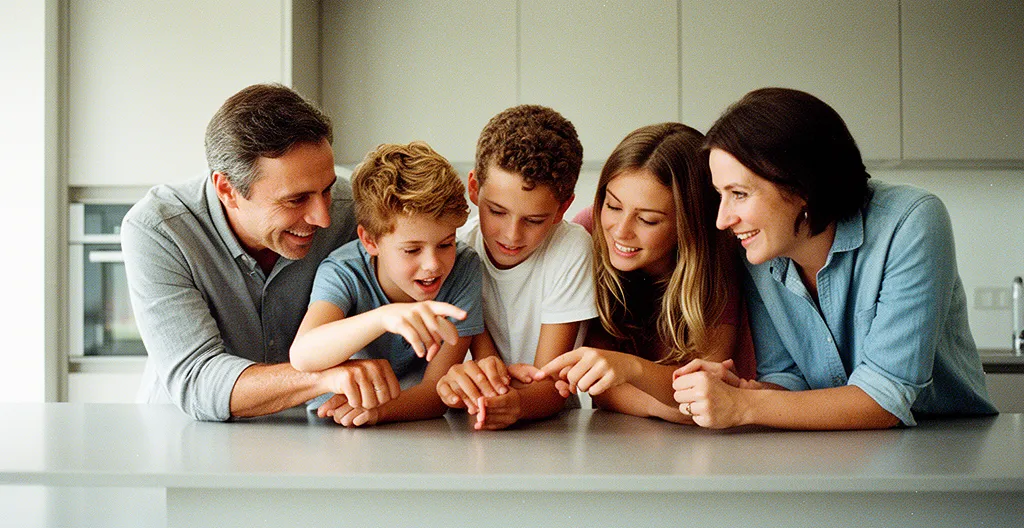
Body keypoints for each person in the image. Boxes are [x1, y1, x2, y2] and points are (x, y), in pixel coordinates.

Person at [672, 87, 998, 430]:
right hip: (840, 445)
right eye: (720, 195)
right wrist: (744, 390)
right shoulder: (761, 249)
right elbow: (789, 378)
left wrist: (744, 405)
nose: (723, 220)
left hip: (947, 446)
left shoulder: (911, 221)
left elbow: (884, 399)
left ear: (801, 187)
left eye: (738, 194)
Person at [123, 83, 399, 421]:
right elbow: (197, 378)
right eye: (296, 200)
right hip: (185, 435)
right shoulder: (160, 228)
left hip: (311, 431)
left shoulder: (351, 209)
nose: (322, 217)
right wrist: (320, 377)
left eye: (326, 191)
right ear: (228, 189)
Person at [535, 123, 749, 423]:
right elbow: (601, 388)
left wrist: (631, 369)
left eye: (648, 220)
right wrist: (671, 408)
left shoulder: (717, 262)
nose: (620, 232)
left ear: (690, 225)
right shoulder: (588, 234)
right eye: (612, 205)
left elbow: (709, 390)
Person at [290, 141, 484, 427]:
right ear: (370, 240)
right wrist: (384, 317)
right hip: (332, 423)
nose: (433, 264)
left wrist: (380, 411)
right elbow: (303, 354)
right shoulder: (344, 270)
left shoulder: (464, 267)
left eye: (446, 243)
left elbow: (435, 392)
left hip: (408, 423)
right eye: (412, 250)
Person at [434, 104, 597, 430]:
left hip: (549, 427)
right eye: (496, 211)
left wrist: (512, 403)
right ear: (474, 189)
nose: (511, 234)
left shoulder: (570, 249)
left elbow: (552, 385)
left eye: (534, 220)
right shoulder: (451, 249)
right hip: (459, 422)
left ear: (563, 207)